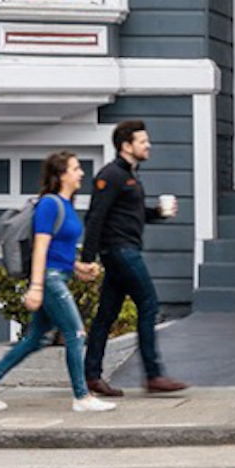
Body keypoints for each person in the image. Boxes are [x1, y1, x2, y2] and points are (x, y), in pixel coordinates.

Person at [0, 151, 115, 413]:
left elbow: (59, 251)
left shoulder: (66, 205)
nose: (81, 173)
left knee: (35, 339)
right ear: (61, 175)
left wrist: (79, 267)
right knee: (76, 333)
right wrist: (36, 287)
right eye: (75, 168)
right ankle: (82, 397)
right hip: (49, 280)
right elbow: (41, 247)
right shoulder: (49, 204)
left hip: (57, 275)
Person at [80, 120, 190, 397]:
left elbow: (133, 213)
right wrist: (87, 259)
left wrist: (158, 213)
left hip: (122, 250)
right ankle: (153, 374)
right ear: (126, 146)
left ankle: (91, 375)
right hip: (120, 250)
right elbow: (95, 217)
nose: (148, 145)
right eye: (142, 141)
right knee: (149, 304)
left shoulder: (129, 175)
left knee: (106, 314)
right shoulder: (111, 175)